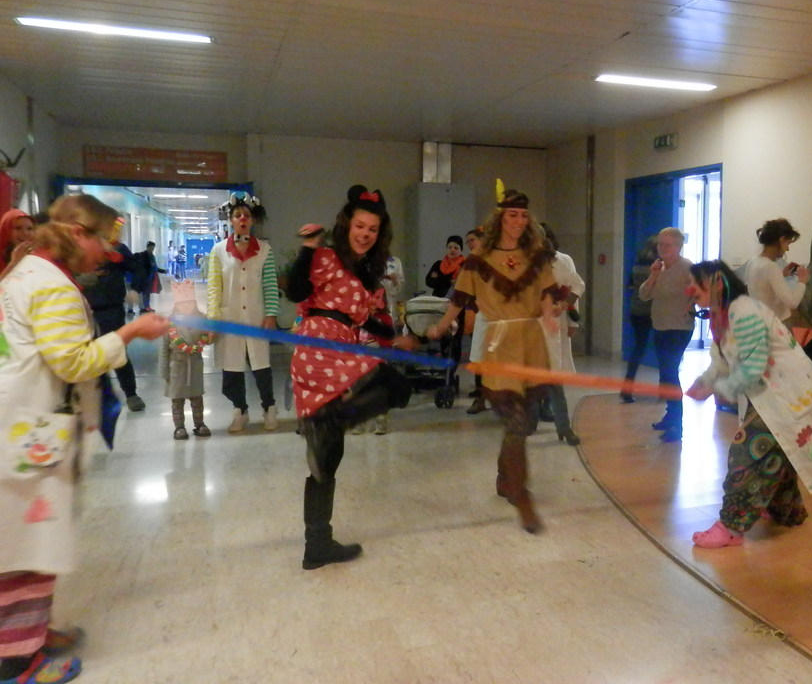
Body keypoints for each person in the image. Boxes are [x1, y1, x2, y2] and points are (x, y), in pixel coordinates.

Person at [0, 194, 169, 684]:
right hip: (28, 433)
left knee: (27, 543)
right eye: (103, 242)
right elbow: (72, 362)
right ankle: (17, 662)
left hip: (22, 426)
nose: (108, 255)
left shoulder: (26, 272)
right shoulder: (52, 286)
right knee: (28, 550)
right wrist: (131, 332)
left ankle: (29, 633)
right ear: (78, 234)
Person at [284, 185, 415, 569]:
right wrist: (308, 249)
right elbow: (296, 290)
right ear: (347, 225)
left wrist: (398, 338)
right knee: (393, 387)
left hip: (341, 350)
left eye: (373, 229)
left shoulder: (367, 275)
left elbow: (371, 322)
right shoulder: (325, 257)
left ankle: (317, 545)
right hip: (319, 350)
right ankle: (332, 420)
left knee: (328, 456)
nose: (365, 234)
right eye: (360, 226)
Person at [684, 260, 812, 548]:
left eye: (697, 283)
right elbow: (721, 362)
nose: (690, 289)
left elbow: (754, 366)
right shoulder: (722, 316)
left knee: (746, 454)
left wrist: (721, 389)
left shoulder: (744, 311)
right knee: (779, 448)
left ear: (717, 284)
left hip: (790, 396)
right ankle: (787, 510)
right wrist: (703, 384)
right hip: (770, 395)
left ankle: (731, 527)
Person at [427, 187, 557, 533]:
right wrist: (442, 325)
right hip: (500, 345)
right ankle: (520, 493)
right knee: (516, 421)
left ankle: (504, 477)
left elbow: (548, 292)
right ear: (500, 218)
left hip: (531, 343)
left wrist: (550, 315)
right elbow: (460, 297)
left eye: (524, 215)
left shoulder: (536, 255)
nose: (519, 221)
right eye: (512, 215)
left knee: (524, 422)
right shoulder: (479, 260)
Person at [206, 192, 280, 433]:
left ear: (253, 220)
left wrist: (271, 314)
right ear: (230, 220)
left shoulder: (265, 250)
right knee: (232, 371)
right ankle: (240, 410)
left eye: (246, 215)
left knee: (262, 369)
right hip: (230, 320)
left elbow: (270, 285)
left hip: (256, 318)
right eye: (237, 215)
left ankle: (269, 408)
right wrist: (213, 319)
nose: (242, 219)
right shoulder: (218, 251)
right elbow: (214, 287)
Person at [637, 227, 695, 442]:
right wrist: (653, 275)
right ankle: (670, 416)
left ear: (678, 246)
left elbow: (700, 292)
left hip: (679, 328)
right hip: (660, 326)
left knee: (670, 374)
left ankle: (677, 425)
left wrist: (690, 304)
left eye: (667, 245)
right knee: (666, 375)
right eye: (660, 244)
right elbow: (643, 295)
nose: (662, 248)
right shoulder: (658, 268)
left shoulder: (688, 268)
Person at [80, 227, 147, 412]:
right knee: (86, 355)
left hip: (111, 309)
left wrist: (135, 288)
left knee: (117, 351)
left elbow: (138, 268)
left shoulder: (116, 249)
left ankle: (131, 394)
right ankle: (94, 397)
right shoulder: (77, 248)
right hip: (83, 310)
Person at [538, 222, 583, 446]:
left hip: (553, 325)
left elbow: (577, 286)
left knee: (555, 380)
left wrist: (565, 306)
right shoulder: (519, 262)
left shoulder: (561, 261)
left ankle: (564, 427)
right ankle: (528, 421)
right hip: (527, 327)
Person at [159, 280, 211, 440]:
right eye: (182, 304)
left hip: (194, 364)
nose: (186, 307)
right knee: (177, 400)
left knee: (197, 398)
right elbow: (164, 349)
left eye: (189, 303)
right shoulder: (170, 323)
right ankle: (179, 427)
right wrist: (164, 370)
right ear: (176, 305)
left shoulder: (202, 320)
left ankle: (199, 424)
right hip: (177, 366)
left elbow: (208, 338)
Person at [742, 218, 808, 323]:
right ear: (781, 240)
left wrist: (782, 275)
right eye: (788, 243)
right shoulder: (771, 267)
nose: (787, 249)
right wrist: (802, 281)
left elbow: (762, 287)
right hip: (775, 324)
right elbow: (792, 302)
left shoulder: (753, 262)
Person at [620, 234, 657, 403]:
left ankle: (627, 387)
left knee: (638, 349)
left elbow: (629, 286)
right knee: (664, 350)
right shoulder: (657, 268)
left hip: (636, 310)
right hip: (654, 312)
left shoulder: (636, 266)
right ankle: (665, 388)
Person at [463, 227, 490, 415]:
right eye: (468, 242)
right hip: (479, 314)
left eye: (472, 240)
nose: (470, 244)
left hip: (500, 317)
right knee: (479, 359)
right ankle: (480, 398)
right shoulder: (471, 262)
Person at [130, 241, 164, 313]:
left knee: (146, 293)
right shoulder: (142, 255)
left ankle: (146, 307)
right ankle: (139, 308)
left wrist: (163, 271)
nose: (152, 249)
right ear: (147, 247)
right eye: (151, 248)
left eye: (153, 248)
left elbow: (154, 267)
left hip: (149, 278)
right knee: (141, 293)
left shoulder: (152, 256)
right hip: (142, 278)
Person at [0, 208, 35, 276]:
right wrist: (14, 263)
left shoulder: (37, 255)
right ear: (6, 230)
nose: (25, 233)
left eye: (29, 229)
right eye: (18, 228)